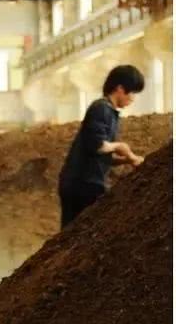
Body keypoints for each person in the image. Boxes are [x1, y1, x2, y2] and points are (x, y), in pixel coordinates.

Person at [58, 65, 145, 229]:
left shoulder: (110, 113)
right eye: (132, 92)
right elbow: (98, 145)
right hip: (81, 184)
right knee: (78, 234)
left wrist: (126, 160)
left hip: (88, 183)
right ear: (120, 89)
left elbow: (102, 154)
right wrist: (123, 148)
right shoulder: (101, 109)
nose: (133, 98)